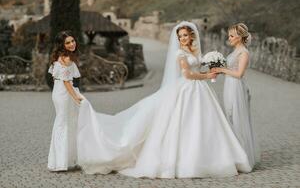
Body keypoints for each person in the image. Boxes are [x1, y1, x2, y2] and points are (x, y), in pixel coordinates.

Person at [77, 21, 252, 178]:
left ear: (191, 35)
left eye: (185, 35)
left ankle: (214, 157)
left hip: (201, 90)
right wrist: (207, 75)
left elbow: (198, 65)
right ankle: (186, 162)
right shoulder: (180, 54)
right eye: (180, 36)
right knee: (183, 123)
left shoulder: (194, 50)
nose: (183, 38)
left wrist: (211, 65)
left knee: (206, 124)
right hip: (187, 89)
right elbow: (188, 74)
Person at [212, 23, 260, 167]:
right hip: (229, 86)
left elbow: (239, 74)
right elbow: (230, 69)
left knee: (236, 117)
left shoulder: (243, 53)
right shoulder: (234, 52)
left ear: (240, 37)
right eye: (229, 35)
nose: (229, 38)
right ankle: (234, 156)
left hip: (236, 88)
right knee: (229, 116)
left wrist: (223, 69)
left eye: (232, 36)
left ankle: (242, 158)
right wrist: (217, 70)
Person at [47, 31, 83, 171]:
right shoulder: (67, 59)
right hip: (64, 93)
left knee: (62, 122)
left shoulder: (59, 56)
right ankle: (60, 162)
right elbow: (67, 82)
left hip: (58, 92)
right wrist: (76, 97)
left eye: (72, 41)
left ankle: (60, 160)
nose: (71, 44)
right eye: (67, 42)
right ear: (62, 45)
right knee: (63, 123)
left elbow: (56, 77)